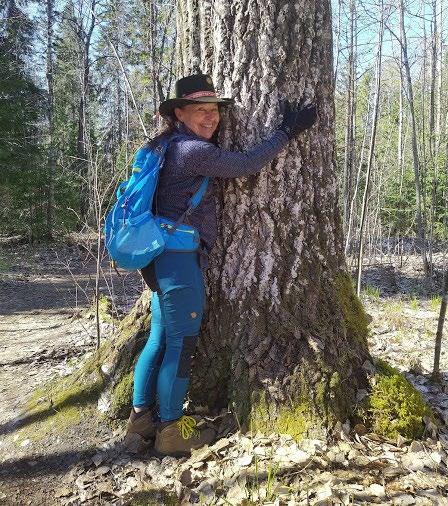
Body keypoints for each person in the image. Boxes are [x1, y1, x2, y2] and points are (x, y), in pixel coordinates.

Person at [124, 74, 317, 457]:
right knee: (180, 344)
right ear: (178, 113)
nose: (211, 118)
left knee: (161, 338)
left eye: (214, 110)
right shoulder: (191, 151)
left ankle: (141, 419)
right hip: (178, 261)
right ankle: (170, 432)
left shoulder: (165, 146)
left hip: (162, 258)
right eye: (201, 110)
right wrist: (286, 131)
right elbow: (246, 163)